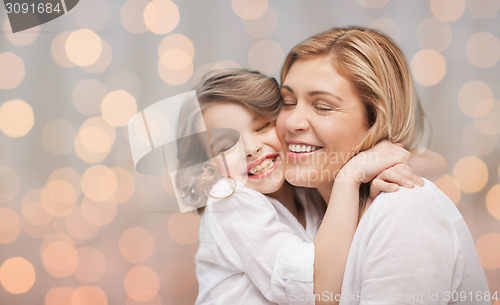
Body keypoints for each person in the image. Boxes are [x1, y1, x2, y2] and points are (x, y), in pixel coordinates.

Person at [175, 69, 440, 305]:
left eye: (263, 126)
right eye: (225, 146)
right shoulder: (228, 200)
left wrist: (379, 165)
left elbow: (433, 163)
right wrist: (350, 177)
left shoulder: (305, 187)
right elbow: (316, 293)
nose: (251, 148)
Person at [277, 26, 489, 304]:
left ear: (376, 119)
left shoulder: (405, 210)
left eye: (323, 107)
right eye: (287, 102)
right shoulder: (302, 205)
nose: (292, 122)